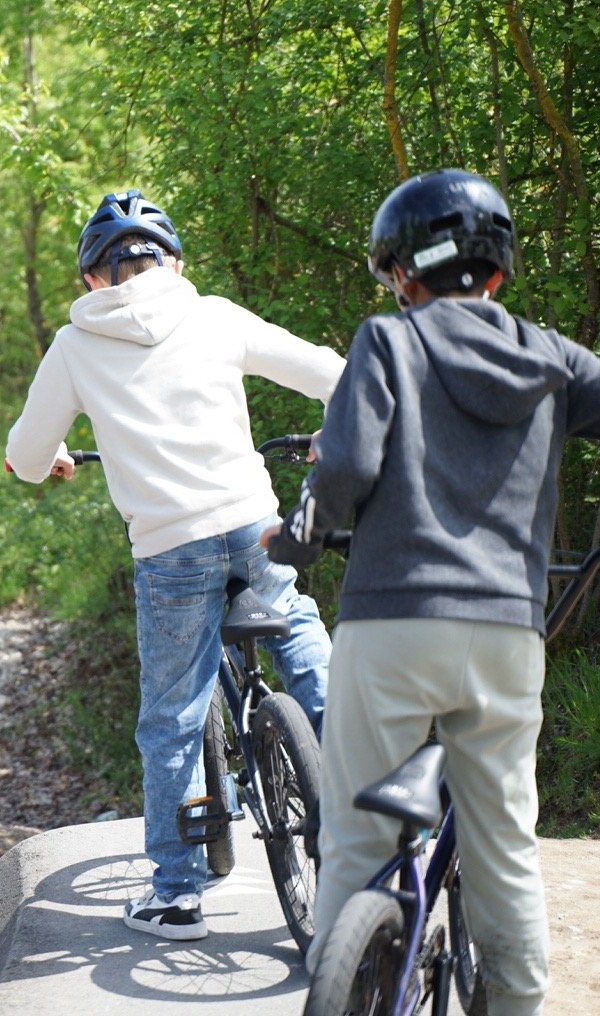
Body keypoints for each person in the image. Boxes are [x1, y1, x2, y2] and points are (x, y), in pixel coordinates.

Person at [263, 168, 600, 1014]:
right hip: (505, 638)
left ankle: (354, 988)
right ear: (497, 271)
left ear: (403, 273)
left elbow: (342, 466)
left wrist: (299, 540)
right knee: (505, 849)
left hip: (391, 623)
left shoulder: (389, 344)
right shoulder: (553, 358)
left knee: (354, 838)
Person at [6, 189, 345, 941]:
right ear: (173, 262)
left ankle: (177, 894)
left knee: (172, 719)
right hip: (254, 525)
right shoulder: (214, 313)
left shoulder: (75, 345)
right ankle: (361, 784)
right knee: (297, 632)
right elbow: (335, 373)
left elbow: (26, 457)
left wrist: (53, 459)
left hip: (169, 549)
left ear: (92, 278)